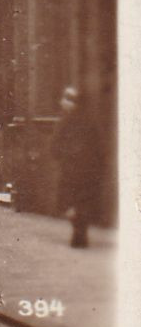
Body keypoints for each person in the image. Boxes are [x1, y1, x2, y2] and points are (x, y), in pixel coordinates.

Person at [54, 85, 102, 248]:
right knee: (79, 203)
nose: (62, 103)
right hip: (85, 170)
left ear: (73, 103)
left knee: (71, 202)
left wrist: (64, 153)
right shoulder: (85, 121)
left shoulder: (67, 121)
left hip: (74, 170)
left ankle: (79, 232)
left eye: (66, 100)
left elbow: (56, 146)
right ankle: (80, 232)